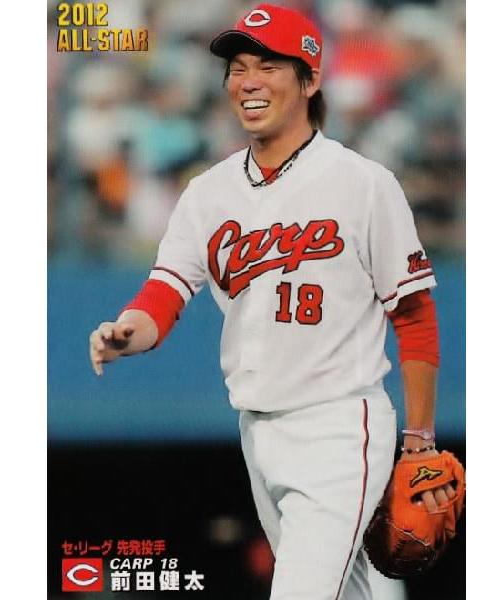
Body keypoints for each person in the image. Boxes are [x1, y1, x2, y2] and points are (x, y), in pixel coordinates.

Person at [89, 4, 456, 598]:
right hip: (257, 430)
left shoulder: (363, 183)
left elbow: (413, 316)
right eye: (237, 68)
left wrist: (419, 436)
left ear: (310, 80)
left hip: (339, 426)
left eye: (267, 66)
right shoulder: (208, 193)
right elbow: (165, 291)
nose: (247, 81)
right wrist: (128, 329)